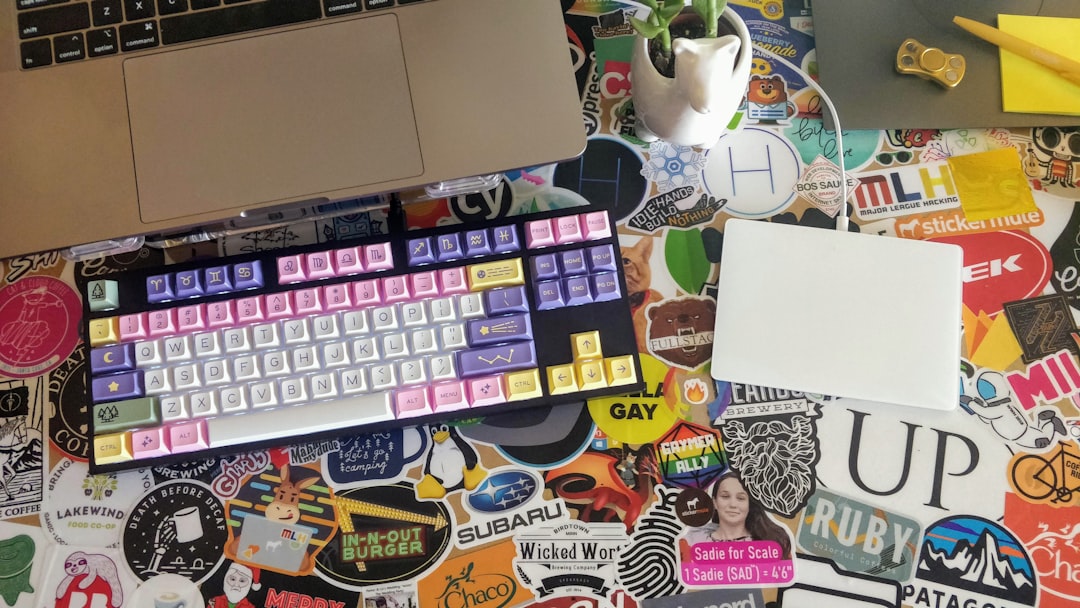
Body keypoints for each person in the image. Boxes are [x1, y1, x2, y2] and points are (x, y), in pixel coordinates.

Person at [681, 470, 792, 560]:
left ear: (749, 504)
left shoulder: (770, 546)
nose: (733, 504)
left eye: (740, 498)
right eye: (725, 496)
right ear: (714, 502)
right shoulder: (692, 540)